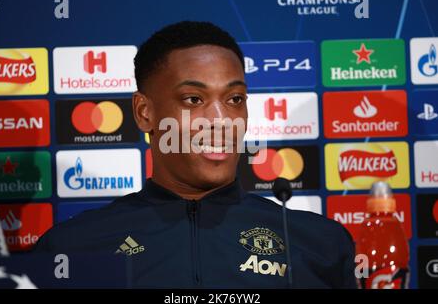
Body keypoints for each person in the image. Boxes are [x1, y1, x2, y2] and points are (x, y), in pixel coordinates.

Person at [35, 21, 357, 288]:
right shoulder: (70, 250)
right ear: (144, 112)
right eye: (193, 99)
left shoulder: (322, 244)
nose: (220, 121)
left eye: (234, 99)